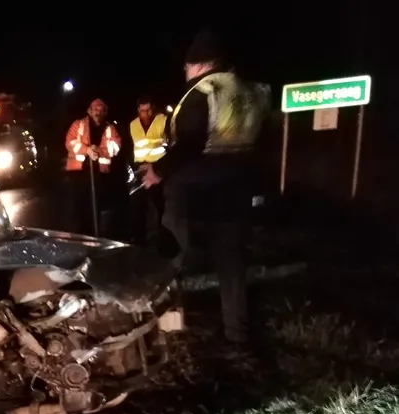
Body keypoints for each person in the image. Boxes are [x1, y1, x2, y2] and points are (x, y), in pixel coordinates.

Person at [140, 29, 270, 344]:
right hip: (236, 189)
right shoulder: (252, 92)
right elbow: (264, 142)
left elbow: (189, 144)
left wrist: (157, 171)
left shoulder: (204, 91)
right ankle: (237, 334)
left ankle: (170, 328)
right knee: (232, 264)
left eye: (187, 67)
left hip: (193, 190)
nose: (186, 73)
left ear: (198, 65)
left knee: (172, 256)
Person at [63, 98, 122, 236]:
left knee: (97, 208)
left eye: (101, 110)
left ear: (105, 112)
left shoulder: (110, 129)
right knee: (79, 208)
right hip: (78, 174)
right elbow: (70, 142)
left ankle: (95, 237)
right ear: (89, 111)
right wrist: (87, 150)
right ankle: (80, 236)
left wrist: (100, 151)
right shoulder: (78, 125)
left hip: (100, 174)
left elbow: (115, 146)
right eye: (95, 109)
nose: (98, 112)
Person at [128, 96, 168, 246]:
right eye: (142, 110)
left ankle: (163, 240)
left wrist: (160, 168)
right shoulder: (133, 124)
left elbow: (169, 143)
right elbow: (131, 147)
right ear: (138, 110)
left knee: (161, 206)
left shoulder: (162, 120)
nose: (146, 113)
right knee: (138, 207)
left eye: (149, 110)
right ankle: (139, 241)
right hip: (140, 170)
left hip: (157, 170)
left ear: (153, 108)